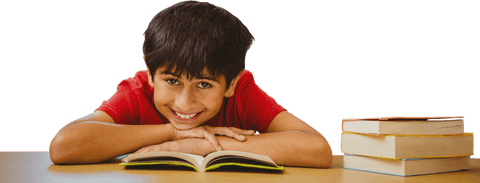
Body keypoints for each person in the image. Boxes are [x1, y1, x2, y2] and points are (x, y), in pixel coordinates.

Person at [49, 0, 333, 168]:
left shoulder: (242, 92)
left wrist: (206, 145)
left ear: (231, 83)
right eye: (172, 81)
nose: (184, 103)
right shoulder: (138, 92)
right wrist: (172, 134)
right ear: (150, 74)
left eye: (204, 84)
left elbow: (317, 150)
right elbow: (64, 146)